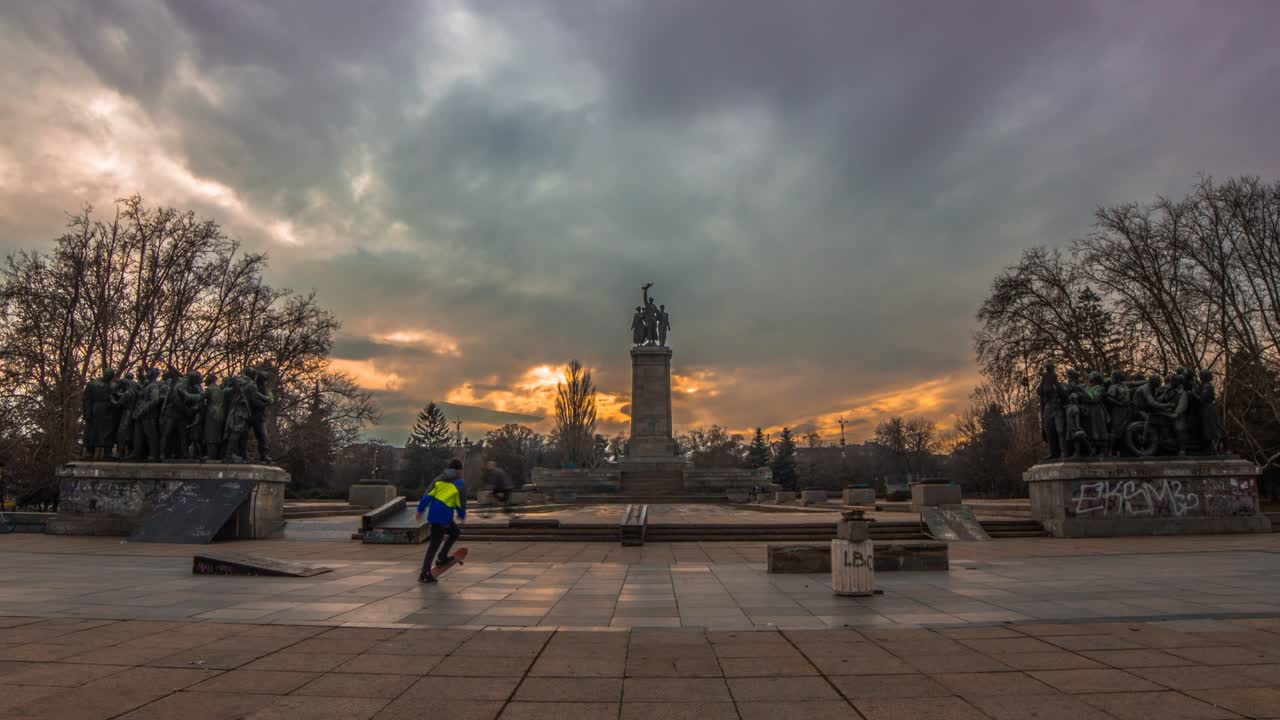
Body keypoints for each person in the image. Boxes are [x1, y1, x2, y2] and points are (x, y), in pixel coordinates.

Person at [415, 459, 467, 584]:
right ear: (459, 470)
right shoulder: (460, 482)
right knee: (434, 545)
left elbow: (428, 495)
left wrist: (420, 510)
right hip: (444, 516)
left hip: (436, 514)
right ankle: (425, 573)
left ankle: (442, 557)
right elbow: (461, 501)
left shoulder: (438, 480)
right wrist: (461, 514)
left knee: (455, 532)